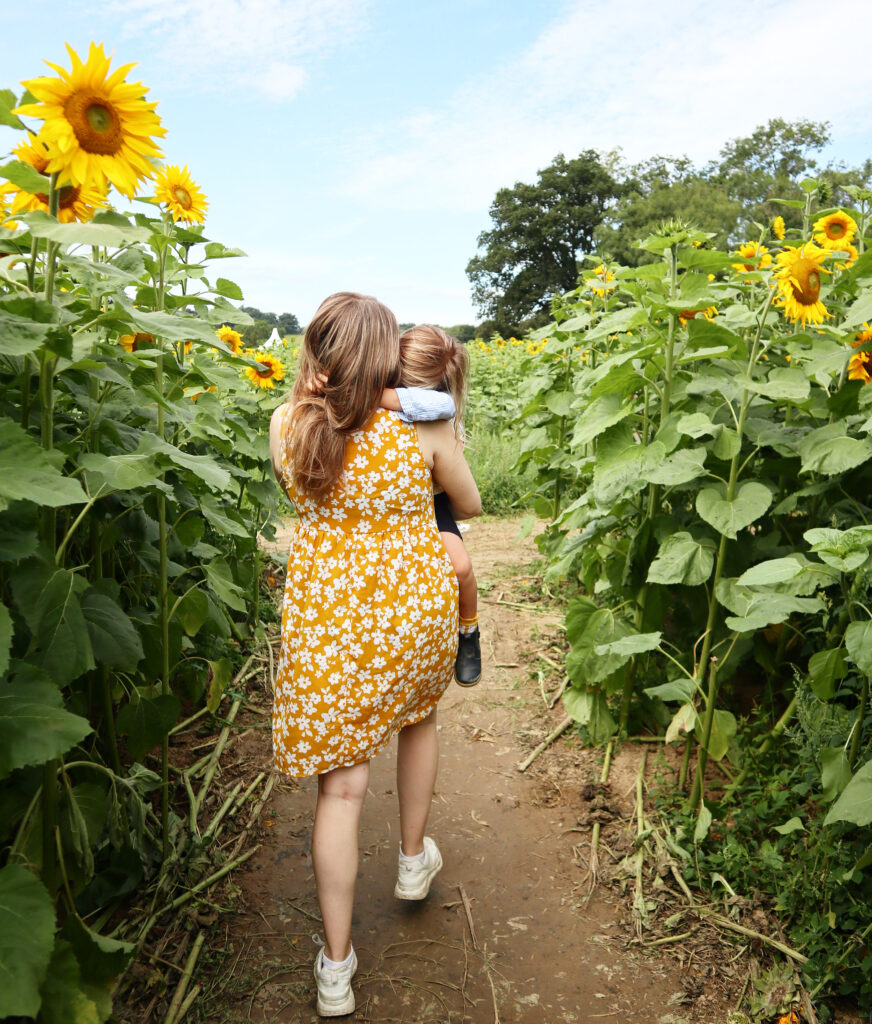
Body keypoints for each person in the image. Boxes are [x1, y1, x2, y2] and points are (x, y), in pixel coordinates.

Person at [268, 292, 481, 1018]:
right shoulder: (427, 424)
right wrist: (411, 407)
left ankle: (335, 968)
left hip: (328, 620)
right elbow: (472, 504)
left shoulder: (288, 425)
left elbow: (301, 489)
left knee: (341, 792)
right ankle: (413, 862)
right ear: (384, 358)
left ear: (315, 356)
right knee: (417, 719)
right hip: (413, 609)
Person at [380, 325, 482, 686]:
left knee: (460, 567)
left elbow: (442, 404)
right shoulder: (381, 380)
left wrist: (385, 397)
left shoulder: (438, 404)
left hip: (431, 499)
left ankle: (467, 629)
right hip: (383, 499)